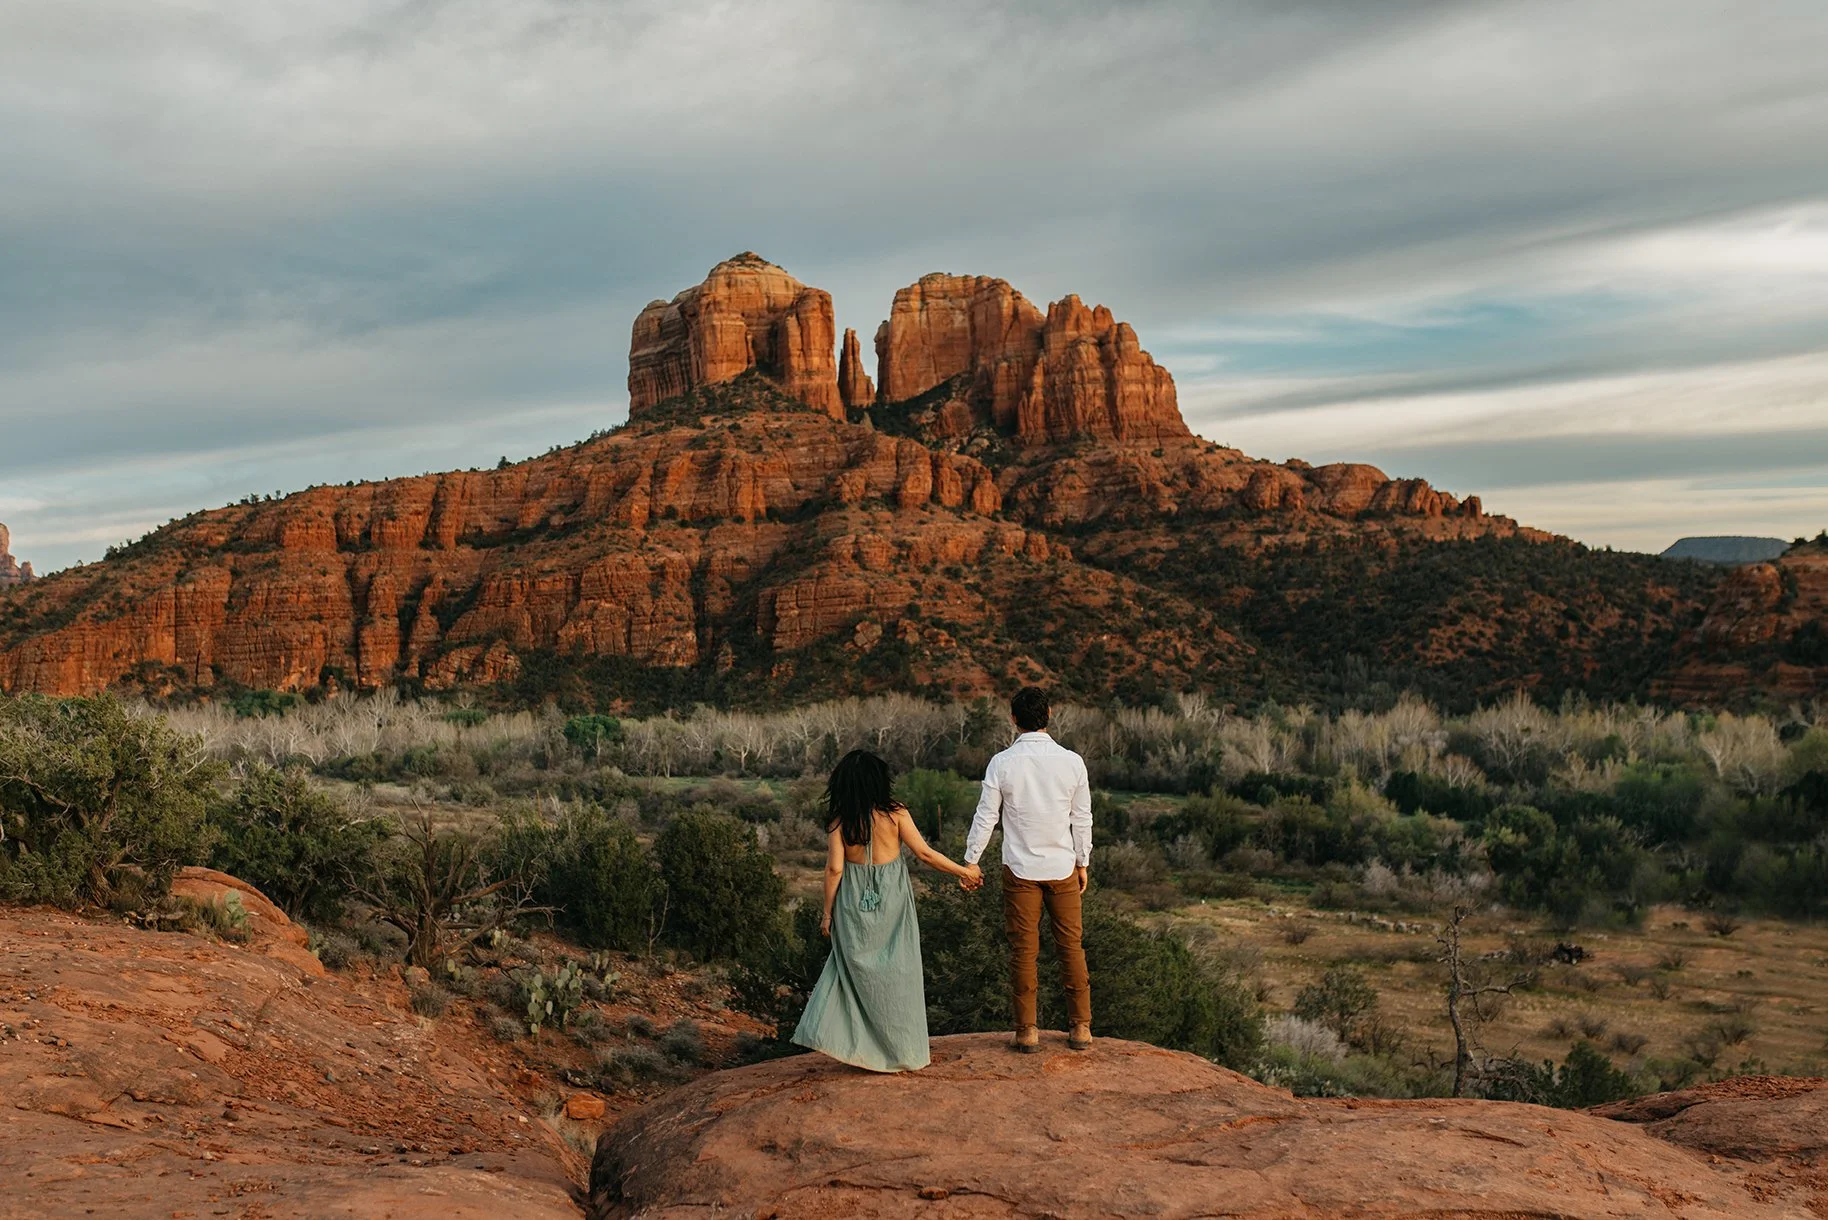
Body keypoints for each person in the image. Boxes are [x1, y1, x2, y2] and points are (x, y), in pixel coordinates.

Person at [792, 749, 982, 1072]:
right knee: (900, 976)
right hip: (893, 901)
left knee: (853, 975)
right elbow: (925, 854)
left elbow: (835, 869)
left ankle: (863, 1050)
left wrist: (827, 913)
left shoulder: (839, 822)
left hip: (853, 904)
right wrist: (965, 872)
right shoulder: (896, 814)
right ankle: (905, 1053)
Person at [964, 686, 1093, 1053]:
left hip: (1020, 871)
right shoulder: (1072, 762)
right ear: (1049, 714)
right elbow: (1081, 818)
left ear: (1014, 719)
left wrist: (971, 860)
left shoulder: (1002, 763)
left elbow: (986, 816)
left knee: (1023, 951)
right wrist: (1082, 861)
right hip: (1062, 867)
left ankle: (1027, 1031)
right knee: (1071, 947)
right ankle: (1080, 1028)